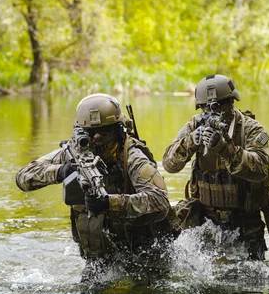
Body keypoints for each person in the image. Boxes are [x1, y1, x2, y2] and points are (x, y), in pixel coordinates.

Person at [16, 93, 178, 282]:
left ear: (118, 130)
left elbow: (159, 200)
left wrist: (111, 203)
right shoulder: (75, 152)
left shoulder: (132, 156)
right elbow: (23, 177)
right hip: (99, 261)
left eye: (104, 131)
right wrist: (61, 171)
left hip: (145, 258)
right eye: (90, 133)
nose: (96, 138)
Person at [162, 74, 269, 262]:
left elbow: (261, 167)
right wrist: (190, 142)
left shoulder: (250, 128)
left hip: (244, 222)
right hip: (205, 220)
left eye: (219, 105)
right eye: (206, 107)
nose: (213, 111)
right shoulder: (194, 125)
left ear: (231, 103)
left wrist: (226, 149)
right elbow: (168, 164)